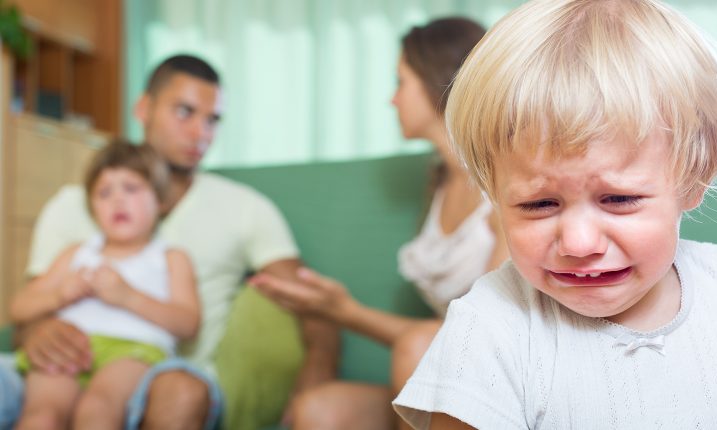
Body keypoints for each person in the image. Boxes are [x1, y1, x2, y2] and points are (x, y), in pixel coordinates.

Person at [392, 0, 717, 428]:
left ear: (693, 180)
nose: (579, 244)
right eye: (539, 204)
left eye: (618, 199)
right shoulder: (488, 324)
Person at [0, 55, 338, 430]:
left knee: (176, 391)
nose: (200, 133)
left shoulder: (246, 209)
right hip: (60, 368)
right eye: (184, 112)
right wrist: (40, 332)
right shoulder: (70, 204)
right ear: (144, 108)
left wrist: (313, 385)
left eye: (212, 120)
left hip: (158, 367)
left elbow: (316, 306)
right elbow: (24, 315)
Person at [251, 17, 508, 430]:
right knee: (320, 408)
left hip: (492, 382)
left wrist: (345, 312)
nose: (393, 100)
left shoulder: (504, 189)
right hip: (434, 370)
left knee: (416, 346)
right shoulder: (440, 181)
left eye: (400, 82)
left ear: (436, 80)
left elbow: (487, 339)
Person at [11, 140, 200, 429]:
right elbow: (19, 307)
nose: (118, 200)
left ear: (160, 200)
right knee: (41, 416)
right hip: (68, 348)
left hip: (133, 351)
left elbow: (188, 323)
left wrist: (129, 298)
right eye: (104, 192)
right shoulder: (76, 254)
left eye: (132, 188)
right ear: (92, 208)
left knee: (97, 410)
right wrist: (59, 296)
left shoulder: (170, 257)